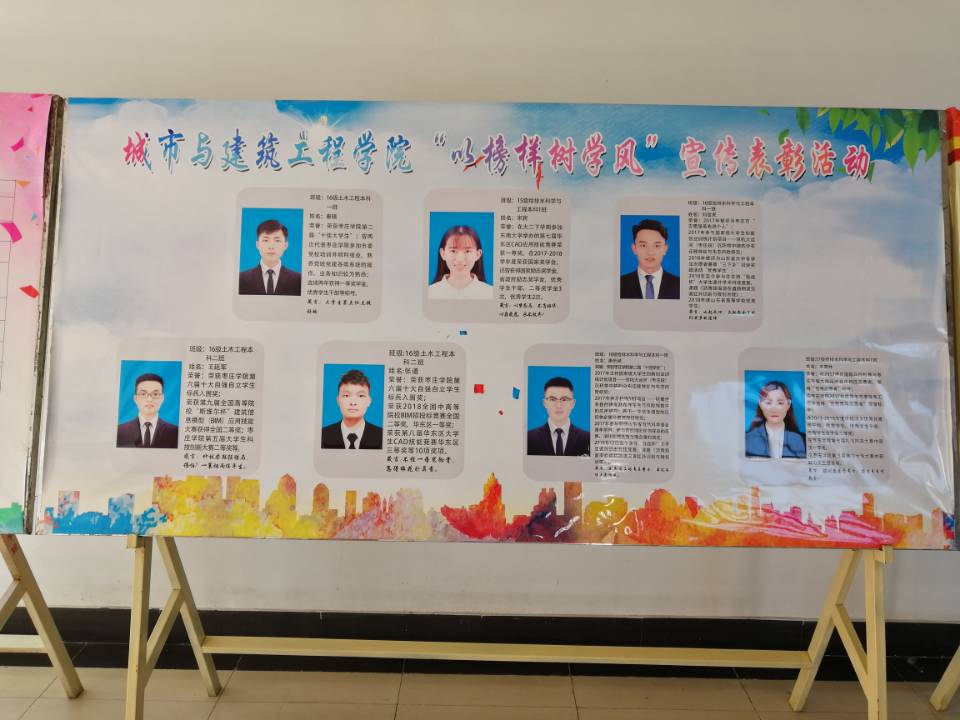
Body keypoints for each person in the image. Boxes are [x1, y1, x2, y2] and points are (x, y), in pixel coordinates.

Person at [320, 369, 383, 450]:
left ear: (369, 401)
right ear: (338, 400)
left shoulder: (382, 436)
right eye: (346, 395)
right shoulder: (323, 435)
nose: (353, 402)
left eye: (361, 396)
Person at [527, 376, 591, 456]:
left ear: (573, 403)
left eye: (564, 399)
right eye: (552, 399)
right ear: (544, 403)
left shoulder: (588, 438)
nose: (558, 405)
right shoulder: (529, 438)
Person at [428, 224, 494, 299]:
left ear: (478, 254)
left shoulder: (490, 293)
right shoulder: (430, 293)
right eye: (453, 251)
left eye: (467, 251)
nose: (460, 259)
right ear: (443, 253)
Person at [619, 218, 680, 299]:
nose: (650, 252)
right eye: (643, 245)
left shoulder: (679, 285)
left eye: (657, 246)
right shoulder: (620, 284)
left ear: (665, 249)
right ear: (634, 249)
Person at [238, 219, 302, 295]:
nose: (271, 246)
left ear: (285, 245)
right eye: (266, 240)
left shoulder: (298, 280)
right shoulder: (241, 278)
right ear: (257, 245)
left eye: (277, 240)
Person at [745, 380, 807, 459]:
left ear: (788, 405)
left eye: (780, 403)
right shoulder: (746, 439)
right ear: (760, 404)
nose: (774, 409)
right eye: (768, 403)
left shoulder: (803, 440)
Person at [116, 373, 179, 449]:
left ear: (162, 398)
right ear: (135, 399)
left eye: (155, 394)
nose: (149, 399)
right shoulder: (120, 431)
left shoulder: (175, 432)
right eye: (143, 394)